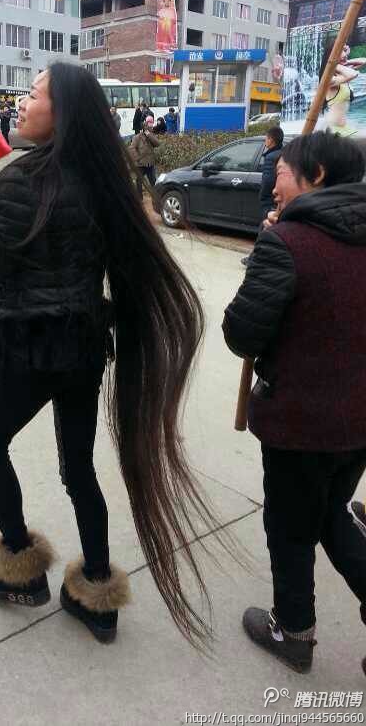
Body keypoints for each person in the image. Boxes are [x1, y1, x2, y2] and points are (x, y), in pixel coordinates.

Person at [0, 63, 219, 646]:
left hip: (30, 349)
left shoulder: (20, 182)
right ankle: (97, 597)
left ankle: (20, 568)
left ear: (60, 112)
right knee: (78, 468)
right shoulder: (102, 183)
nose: (22, 103)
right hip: (85, 349)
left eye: (33, 96)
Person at [223, 131, 366, 675]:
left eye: (279, 171)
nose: (272, 182)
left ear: (317, 176)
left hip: (301, 425)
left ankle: (293, 631)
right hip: (359, 422)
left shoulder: (289, 243)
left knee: (290, 527)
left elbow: (243, 333)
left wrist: (269, 251)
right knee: (329, 513)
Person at [240, 126, 284, 267]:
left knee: (266, 227)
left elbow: (268, 181)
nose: (266, 141)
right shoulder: (283, 154)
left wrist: (264, 197)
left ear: (271, 140)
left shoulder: (271, 157)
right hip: (279, 198)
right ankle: (255, 257)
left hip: (270, 200)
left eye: (266, 138)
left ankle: (255, 259)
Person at [319, 42, 366, 137]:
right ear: (333, 54)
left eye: (345, 51)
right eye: (342, 51)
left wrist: (345, 61)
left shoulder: (341, 75)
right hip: (333, 129)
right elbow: (353, 74)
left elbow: (364, 61)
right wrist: (333, 63)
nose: (345, 54)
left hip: (343, 128)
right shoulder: (330, 79)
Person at [128, 115, 159, 199]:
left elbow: (157, 144)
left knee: (153, 181)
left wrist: (149, 135)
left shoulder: (151, 136)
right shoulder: (137, 137)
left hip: (150, 163)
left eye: (148, 128)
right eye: (146, 128)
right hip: (140, 164)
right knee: (139, 181)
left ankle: (157, 197)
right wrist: (137, 158)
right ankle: (139, 197)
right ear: (142, 129)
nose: (148, 129)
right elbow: (131, 148)